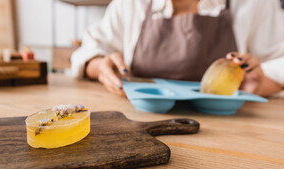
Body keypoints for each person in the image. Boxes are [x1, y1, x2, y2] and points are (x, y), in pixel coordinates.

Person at [71, 0, 284, 97]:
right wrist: (99, 66)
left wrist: (260, 83)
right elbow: (86, 53)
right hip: (139, 124)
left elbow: (280, 62)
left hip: (237, 133)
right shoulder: (130, 4)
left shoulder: (256, 4)